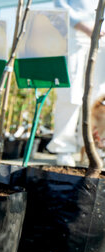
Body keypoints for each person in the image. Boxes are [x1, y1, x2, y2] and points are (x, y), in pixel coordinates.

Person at [48, 0, 105, 166]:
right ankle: (64, 148)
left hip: (102, 36)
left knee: (98, 96)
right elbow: (60, 4)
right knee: (70, 93)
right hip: (74, 34)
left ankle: (91, 147)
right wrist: (84, 27)